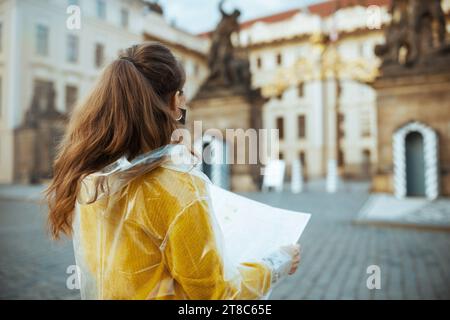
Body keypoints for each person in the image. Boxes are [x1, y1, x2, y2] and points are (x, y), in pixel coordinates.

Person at [46, 42, 300, 300]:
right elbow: (216, 296)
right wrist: (276, 263)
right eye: (182, 96)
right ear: (174, 101)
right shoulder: (179, 188)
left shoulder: (92, 179)